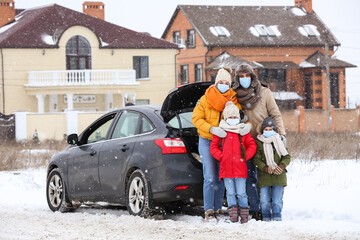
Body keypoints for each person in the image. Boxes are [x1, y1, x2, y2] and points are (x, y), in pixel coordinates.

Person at [232, 63, 286, 221]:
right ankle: (255, 209)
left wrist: (281, 134)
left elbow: (275, 114)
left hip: (266, 142)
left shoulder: (264, 92)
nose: (244, 79)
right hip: (245, 143)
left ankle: (269, 209)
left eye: (247, 76)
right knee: (249, 178)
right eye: (241, 76)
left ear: (252, 76)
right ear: (237, 78)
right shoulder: (234, 94)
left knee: (268, 176)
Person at [192, 67, 241, 221]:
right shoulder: (206, 98)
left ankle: (218, 208)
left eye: (226, 82)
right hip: (207, 140)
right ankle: (209, 210)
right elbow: (196, 119)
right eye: (221, 82)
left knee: (222, 176)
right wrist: (212, 128)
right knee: (210, 177)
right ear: (216, 82)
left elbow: (238, 117)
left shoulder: (233, 99)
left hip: (226, 142)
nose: (224, 85)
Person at [210, 101, 257, 223]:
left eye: (235, 117)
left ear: (238, 117)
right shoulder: (221, 132)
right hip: (226, 169)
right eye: (230, 117)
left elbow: (252, 145)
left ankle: (244, 215)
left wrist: (245, 156)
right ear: (225, 118)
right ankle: (233, 215)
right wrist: (221, 156)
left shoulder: (242, 131)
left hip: (240, 169)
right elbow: (213, 147)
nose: (232, 119)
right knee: (230, 193)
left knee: (241, 193)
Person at [253, 117, 291, 221]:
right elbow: (256, 159)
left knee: (277, 200)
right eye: (266, 129)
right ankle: (265, 217)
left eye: (271, 129)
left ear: (274, 130)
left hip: (279, 175)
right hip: (265, 175)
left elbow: (287, 156)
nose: (268, 131)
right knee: (264, 200)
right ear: (262, 130)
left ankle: (277, 217)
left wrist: (282, 166)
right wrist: (265, 168)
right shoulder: (258, 142)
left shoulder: (279, 141)